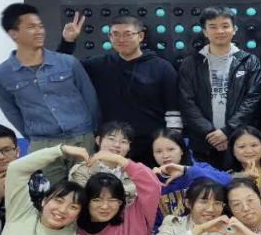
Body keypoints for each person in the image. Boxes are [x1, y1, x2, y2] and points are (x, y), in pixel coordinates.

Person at [0, 2, 100, 185]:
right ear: (13, 33)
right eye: (31, 27)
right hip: (43, 145)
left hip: (82, 139)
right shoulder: (1, 74)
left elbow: (90, 99)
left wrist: (92, 133)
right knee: (48, 195)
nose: (39, 31)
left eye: (40, 26)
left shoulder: (68, 62)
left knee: (88, 191)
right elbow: (12, 112)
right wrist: (36, 136)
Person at [56, 14, 180, 166]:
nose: (121, 39)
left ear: (140, 36)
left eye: (127, 34)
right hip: (111, 146)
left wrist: (173, 141)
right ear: (109, 37)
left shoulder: (162, 67)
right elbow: (61, 69)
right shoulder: (98, 65)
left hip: (150, 147)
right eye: (115, 34)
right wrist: (67, 42)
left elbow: (174, 109)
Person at [178, 6, 261, 168]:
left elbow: (252, 99)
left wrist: (227, 131)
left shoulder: (249, 61)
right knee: (206, 184)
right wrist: (210, 133)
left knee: (242, 183)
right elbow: (186, 102)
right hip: (204, 142)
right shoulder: (190, 63)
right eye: (213, 27)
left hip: (240, 141)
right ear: (205, 31)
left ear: (234, 29)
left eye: (225, 26)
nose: (220, 31)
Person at [150, 128, 231, 232]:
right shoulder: (152, 179)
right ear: (153, 155)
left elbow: (228, 180)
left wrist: (186, 170)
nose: (165, 155)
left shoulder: (198, 169)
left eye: (171, 149)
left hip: (207, 232)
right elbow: (152, 220)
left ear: (182, 150)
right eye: (158, 151)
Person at [66, 121, 137, 200]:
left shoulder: (135, 172)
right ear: (98, 140)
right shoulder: (82, 170)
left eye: (124, 141)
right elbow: (82, 199)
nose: (117, 145)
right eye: (111, 139)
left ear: (129, 147)